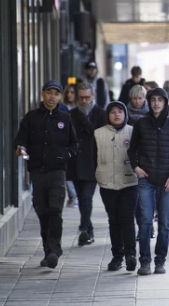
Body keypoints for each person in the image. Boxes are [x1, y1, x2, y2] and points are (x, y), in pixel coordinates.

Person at [15, 81, 79, 269]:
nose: (52, 97)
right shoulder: (31, 118)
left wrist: (66, 155)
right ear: (43, 94)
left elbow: (74, 144)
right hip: (37, 172)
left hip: (58, 172)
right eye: (49, 93)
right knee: (42, 211)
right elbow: (19, 141)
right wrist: (21, 149)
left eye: (56, 94)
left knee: (55, 210)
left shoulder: (65, 118)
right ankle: (47, 249)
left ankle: (54, 250)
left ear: (60, 96)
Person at [128, 87, 169, 276]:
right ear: (149, 102)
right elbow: (131, 149)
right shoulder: (141, 124)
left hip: (166, 182)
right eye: (153, 100)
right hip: (146, 179)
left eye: (160, 100)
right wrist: (136, 167)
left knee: (164, 223)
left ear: (165, 102)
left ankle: (160, 260)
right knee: (145, 221)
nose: (156, 103)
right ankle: (144, 261)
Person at [95, 101, 138, 272]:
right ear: (108, 115)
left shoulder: (133, 132)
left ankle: (130, 255)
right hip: (107, 184)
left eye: (120, 111)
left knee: (127, 219)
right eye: (112, 112)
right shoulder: (98, 134)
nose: (116, 114)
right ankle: (117, 256)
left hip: (129, 182)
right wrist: (98, 174)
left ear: (125, 114)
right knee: (114, 220)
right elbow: (93, 157)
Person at [68, 82, 108, 246]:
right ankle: (88, 229)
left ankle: (84, 228)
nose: (83, 101)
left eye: (87, 97)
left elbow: (102, 136)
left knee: (86, 197)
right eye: (81, 98)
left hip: (93, 163)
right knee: (81, 197)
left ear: (93, 96)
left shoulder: (101, 114)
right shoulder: (71, 114)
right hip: (76, 162)